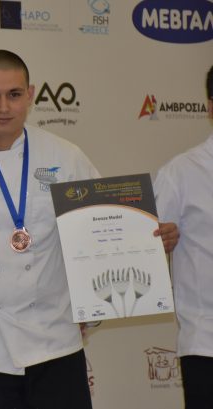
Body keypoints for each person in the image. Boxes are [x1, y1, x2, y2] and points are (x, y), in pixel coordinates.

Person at [0, 49, 179, 409]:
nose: (3, 107)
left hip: (54, 341)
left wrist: (148, 241)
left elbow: (103, 230)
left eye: (14, 94)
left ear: (31, 94)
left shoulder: (64, 155)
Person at [153, 65, 213, 409]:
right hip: (207, 346)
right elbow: (143, 245)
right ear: (210, 106)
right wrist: (157, 243)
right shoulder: (181, 173)